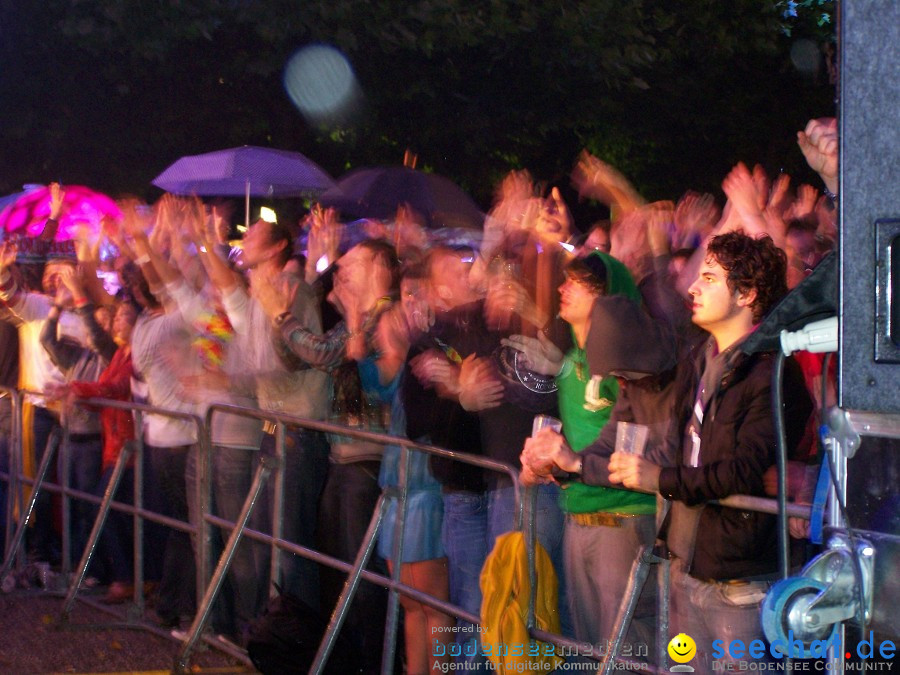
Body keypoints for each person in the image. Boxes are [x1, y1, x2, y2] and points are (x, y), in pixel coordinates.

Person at [604, 231, 814, 672]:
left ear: (747, 293)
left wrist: (657, 479)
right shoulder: (702, 359)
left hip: (737, 583)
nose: (694, 289)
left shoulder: (773, 373)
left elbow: (740, 472)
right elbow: (679, 446)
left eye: (710, 278)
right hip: (687, 566)